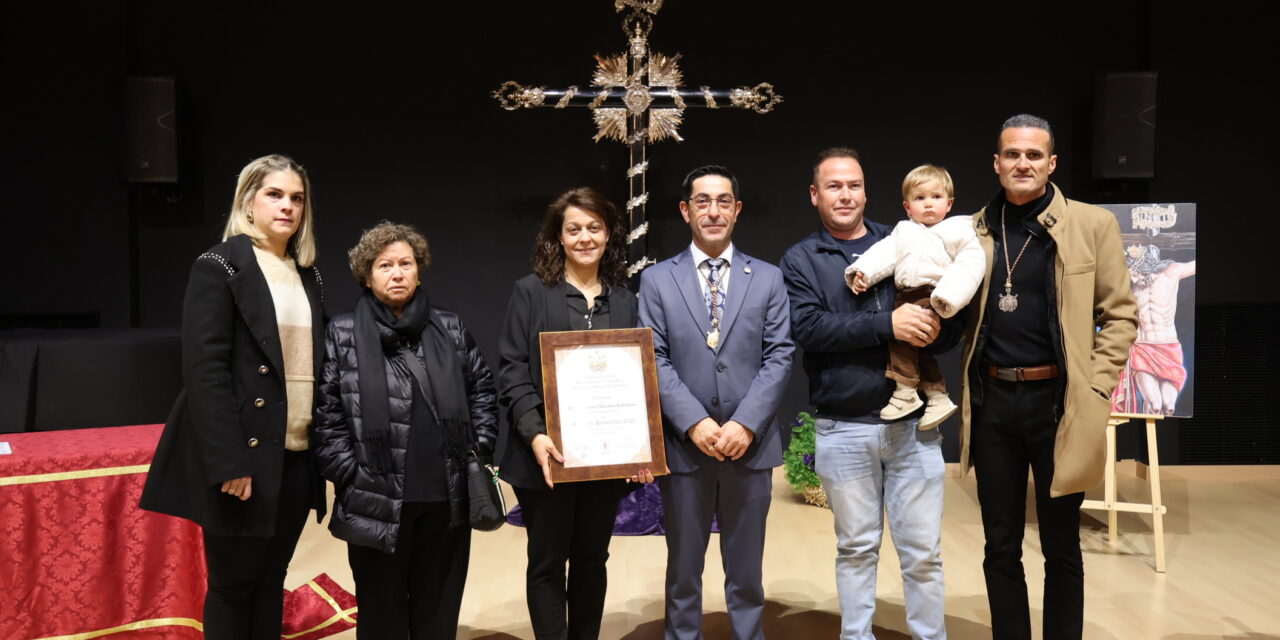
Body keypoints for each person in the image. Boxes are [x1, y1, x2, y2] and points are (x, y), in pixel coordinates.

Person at [958, 114, 1137, 640]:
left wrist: (1097, 385)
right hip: (993, 402)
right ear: (996, 163)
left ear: (1052, 163)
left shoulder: (1092, 225)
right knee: (1000, 545)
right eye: (1012, 154)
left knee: (1061, 546)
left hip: (1060, 405)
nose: (1022, 164)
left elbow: (1121, 314)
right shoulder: (974, 230)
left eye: (1034, 155)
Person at [141, 154, 326, 640]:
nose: (288, 206)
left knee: (271, 582)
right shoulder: (219, 265)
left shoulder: (307, 274)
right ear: (247, 203)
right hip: (243, 456)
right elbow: (205, 372)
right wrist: (229, 461)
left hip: (296, 454)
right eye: (275, 194)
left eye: (297, 198)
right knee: (232, 587)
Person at [779, 148, 958, 640]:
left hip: (914, 428)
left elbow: (948, 321)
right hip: (843, 428)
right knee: (856, 548)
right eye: (834, 186)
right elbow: (810, 329)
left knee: (924, 554)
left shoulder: (904, 238)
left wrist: (934, 328)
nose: (845, 194)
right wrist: (888, 324)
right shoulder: (800, 259)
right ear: (815, 195)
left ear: (866, 192)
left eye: (854, 185)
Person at [310, 222, 497, 639]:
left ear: (419, 270)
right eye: (385, 265)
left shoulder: (450, 327)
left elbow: (482, 391)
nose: (397, 273)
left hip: (446, 498)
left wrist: (477, 451)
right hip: (375, 498)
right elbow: (327, 417)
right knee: (382, 616)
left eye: (406, 264)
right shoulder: (342, 334)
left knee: (438, 611)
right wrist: (350, 474)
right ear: (367, 274)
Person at [638, 165, 794, 640]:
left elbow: (780, 355)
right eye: (702, 201)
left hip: (750, 446)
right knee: (684, 571)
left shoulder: (767, 278)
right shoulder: (657, 280)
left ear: (737, 210)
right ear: (685, 211)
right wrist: (695, 423)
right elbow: (654, 358)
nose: (714, 211)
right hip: (686, 448)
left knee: (746, 572)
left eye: (724, 201)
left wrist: (745, 424)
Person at [497, 187, 655, 640]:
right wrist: (534, 434)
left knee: (592, 559)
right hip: (546, 457)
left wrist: (640, 445)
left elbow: (637, 379)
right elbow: (512, 370)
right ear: (558, 237)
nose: (584, 237)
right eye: (574, 229)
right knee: (547, 562)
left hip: (603, 461)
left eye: (594, 228)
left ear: (609, 234)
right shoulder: (530, 292)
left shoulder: (625, 299)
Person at [845, 164, 984, 429]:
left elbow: (970, 266)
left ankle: (905, 392)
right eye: (920, 199)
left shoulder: (960, 230)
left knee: (902, 338)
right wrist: (862, 271)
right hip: (905, 296)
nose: (929, 204)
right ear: (908, 207)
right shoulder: (904, 231)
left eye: (936, 197)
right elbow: (883, 254)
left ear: (950, 203)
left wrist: (948, 296)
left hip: (935, 296)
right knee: (917, 349)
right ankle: (936, 396)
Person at [1113, 243, 1195, 415]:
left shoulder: (1170, 273)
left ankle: (1161, 436)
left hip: (1168, 347)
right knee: (1154, 404)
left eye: (1134, 273)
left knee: (1168, 406)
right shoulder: (1132, 287)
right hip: (1141, 347)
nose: (1133, 279)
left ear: (1142, 264)